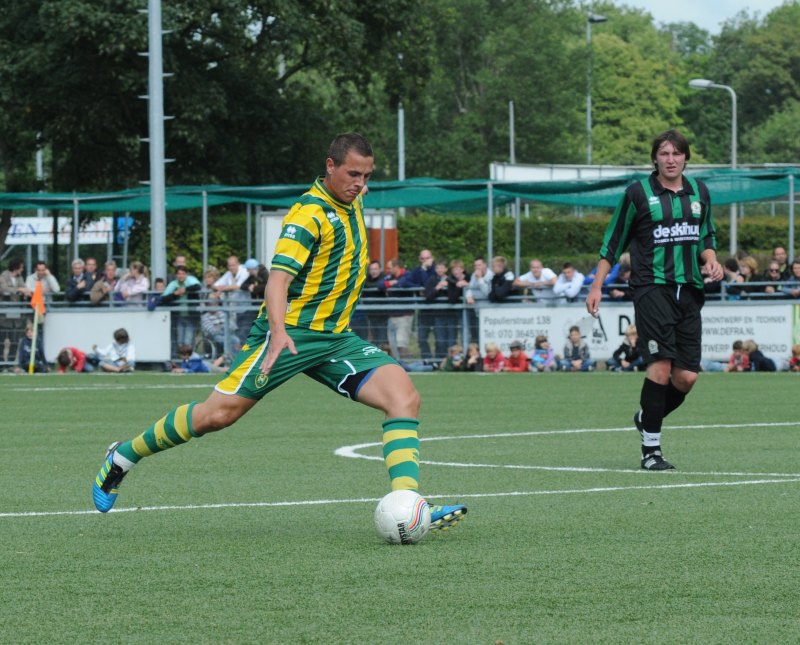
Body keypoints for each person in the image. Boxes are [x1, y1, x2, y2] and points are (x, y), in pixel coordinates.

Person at [91, 132, 466, 532]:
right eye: (353, 174)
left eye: (367, 175)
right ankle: (123, 456)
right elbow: (277, 281)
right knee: (216, 416)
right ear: (330, 167)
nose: (361, 183)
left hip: (335, 339)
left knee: (404, 397)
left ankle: (408, 504)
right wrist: (278, 330)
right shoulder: (308, 215)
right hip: (288, 335)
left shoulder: (354, 201)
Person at [586, 128, 723, 471]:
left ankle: (647, 416)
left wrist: (711, 258)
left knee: (686, 378)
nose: (671, 159)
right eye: (664, 153)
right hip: (651, 287)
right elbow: (613, 242)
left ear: (686, 158)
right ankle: (651, 452)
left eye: (677, 153)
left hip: (689, 289)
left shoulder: (699, 192)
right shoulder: (637, 194)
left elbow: (706, 234)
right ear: (655, 159)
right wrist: (596, 285)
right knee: (660, 365)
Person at [161, 266, 203, 350]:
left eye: (183, 274)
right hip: (179, 316)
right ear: (176, 275)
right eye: (179, 274)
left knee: (188, 341)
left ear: (186, 274)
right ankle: (182, 360)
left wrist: (185, 290)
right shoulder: (173, 284)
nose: (181, 276)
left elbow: (198, 286)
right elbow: (164, 298)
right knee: (180, 341)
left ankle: (189, 360)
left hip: (191, 316)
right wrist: (175, 294)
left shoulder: (191, 280)